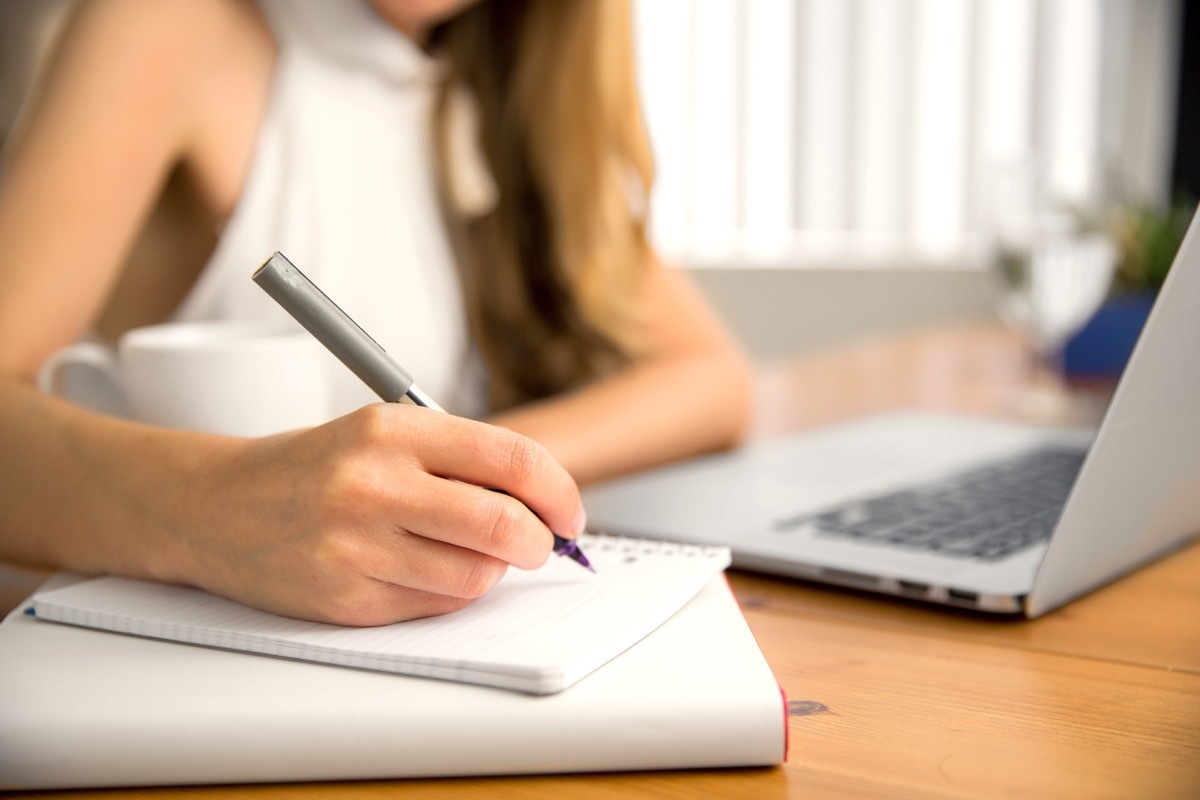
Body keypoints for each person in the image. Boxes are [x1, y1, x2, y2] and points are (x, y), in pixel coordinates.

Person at [0, 0, 751, 626]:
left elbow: (713, 377)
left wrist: (475, 471)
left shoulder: (496, 80)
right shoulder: (168, 24)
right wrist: (223, 506)